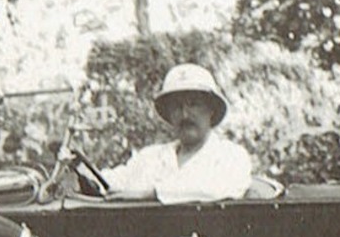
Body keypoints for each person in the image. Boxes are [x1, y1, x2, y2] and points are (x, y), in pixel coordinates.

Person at [95, 63, 253, 204]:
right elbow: (109, 182)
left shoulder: (231, 156)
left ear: (210, 110)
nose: (185, 114)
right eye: (177, 106)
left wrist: (151, 193)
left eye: (193, 104)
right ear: (169, 114)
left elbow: (215, 188)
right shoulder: (150, 158)